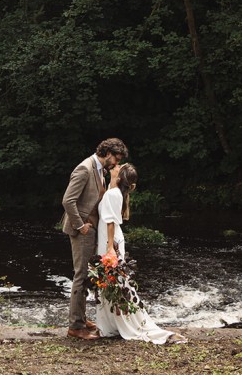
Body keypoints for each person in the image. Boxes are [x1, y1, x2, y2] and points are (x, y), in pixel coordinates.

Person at [95, 162, 187, 345]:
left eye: (117, 167)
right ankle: (111, 324)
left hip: (109, 240)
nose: (114, 166)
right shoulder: (114, 192)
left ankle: (126, 323)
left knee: (118, 284)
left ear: (120, 177)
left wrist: (109, 248)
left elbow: (111, 221)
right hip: (108, 239)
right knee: (111, 284)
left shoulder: (114, 194)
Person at [61, 137, 129, 340]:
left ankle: (81, 319)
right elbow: (68, 200)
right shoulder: (84, 168)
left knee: (86, 276)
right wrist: (80, 226)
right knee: (80, 276)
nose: (116, 163)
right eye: (115, 158)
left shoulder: (100, 169)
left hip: (92, 229)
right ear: (107, 153)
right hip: (81, 230)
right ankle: (75, 326)